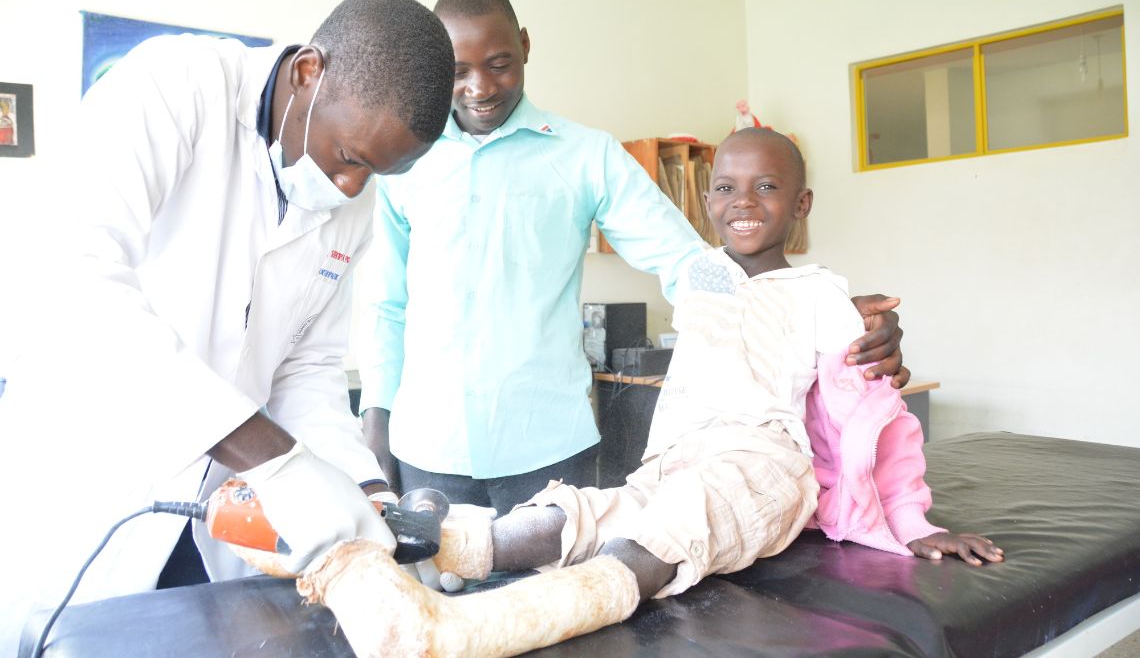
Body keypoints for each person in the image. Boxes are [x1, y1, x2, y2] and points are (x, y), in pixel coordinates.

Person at [299, 128, 1003, 658]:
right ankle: (437, 539)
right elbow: (679, 263)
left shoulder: (822, 294)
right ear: (705, 197)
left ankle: (479, 627)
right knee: (591, 511)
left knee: (673, 524)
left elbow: (870, 418)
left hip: (761, 466)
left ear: (802, 202)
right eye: (726, 187)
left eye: (767, 188)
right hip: (675, 459)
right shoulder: (701, 277)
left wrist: (914, 523)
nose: (743, 203)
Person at [0, 0, 455, 654]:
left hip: (215, 526)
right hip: (91, 495)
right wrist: (278, 461)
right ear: (308, 72)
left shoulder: (349, 203)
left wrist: (365, 489)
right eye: (351, 157)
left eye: (378, 174)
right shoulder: (173, 90)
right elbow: (78, 281)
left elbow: (307, 368)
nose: (355, 190)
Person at [357, 0, 909, 518]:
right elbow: (386, 303)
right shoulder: (407, 162)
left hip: (548, 449)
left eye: (499, 64)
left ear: (525, 44)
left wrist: (816, 313)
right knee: (433, 600)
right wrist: (374, 427)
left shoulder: (585, 156)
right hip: (426, 446)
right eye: (457, 71)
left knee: (562, 603)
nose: (480, 87)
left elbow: (685, 261)